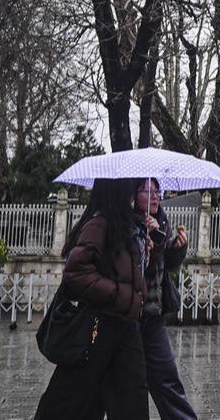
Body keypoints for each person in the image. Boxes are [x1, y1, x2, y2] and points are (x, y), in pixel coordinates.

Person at [34, 178, 150, 420]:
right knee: (75, 401)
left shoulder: (128, 226)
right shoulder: (99, 223)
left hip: (126, 329)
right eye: (128, 188)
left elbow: (129, 274)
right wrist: (121, 295)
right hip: (99, 329)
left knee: (132, 402)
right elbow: (76, 271)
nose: (132, 194)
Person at [133, 179, 197, 420]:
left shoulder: (161, 222)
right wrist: (143, 242)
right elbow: (134, 272)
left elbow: (167, 266)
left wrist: (177, 248)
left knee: (167, 380)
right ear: (134, 195)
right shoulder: (126, 223)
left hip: (154, 318)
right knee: (132, 386)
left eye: (157, 191)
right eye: (147, 191)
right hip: (129, 319)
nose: (155, 196)